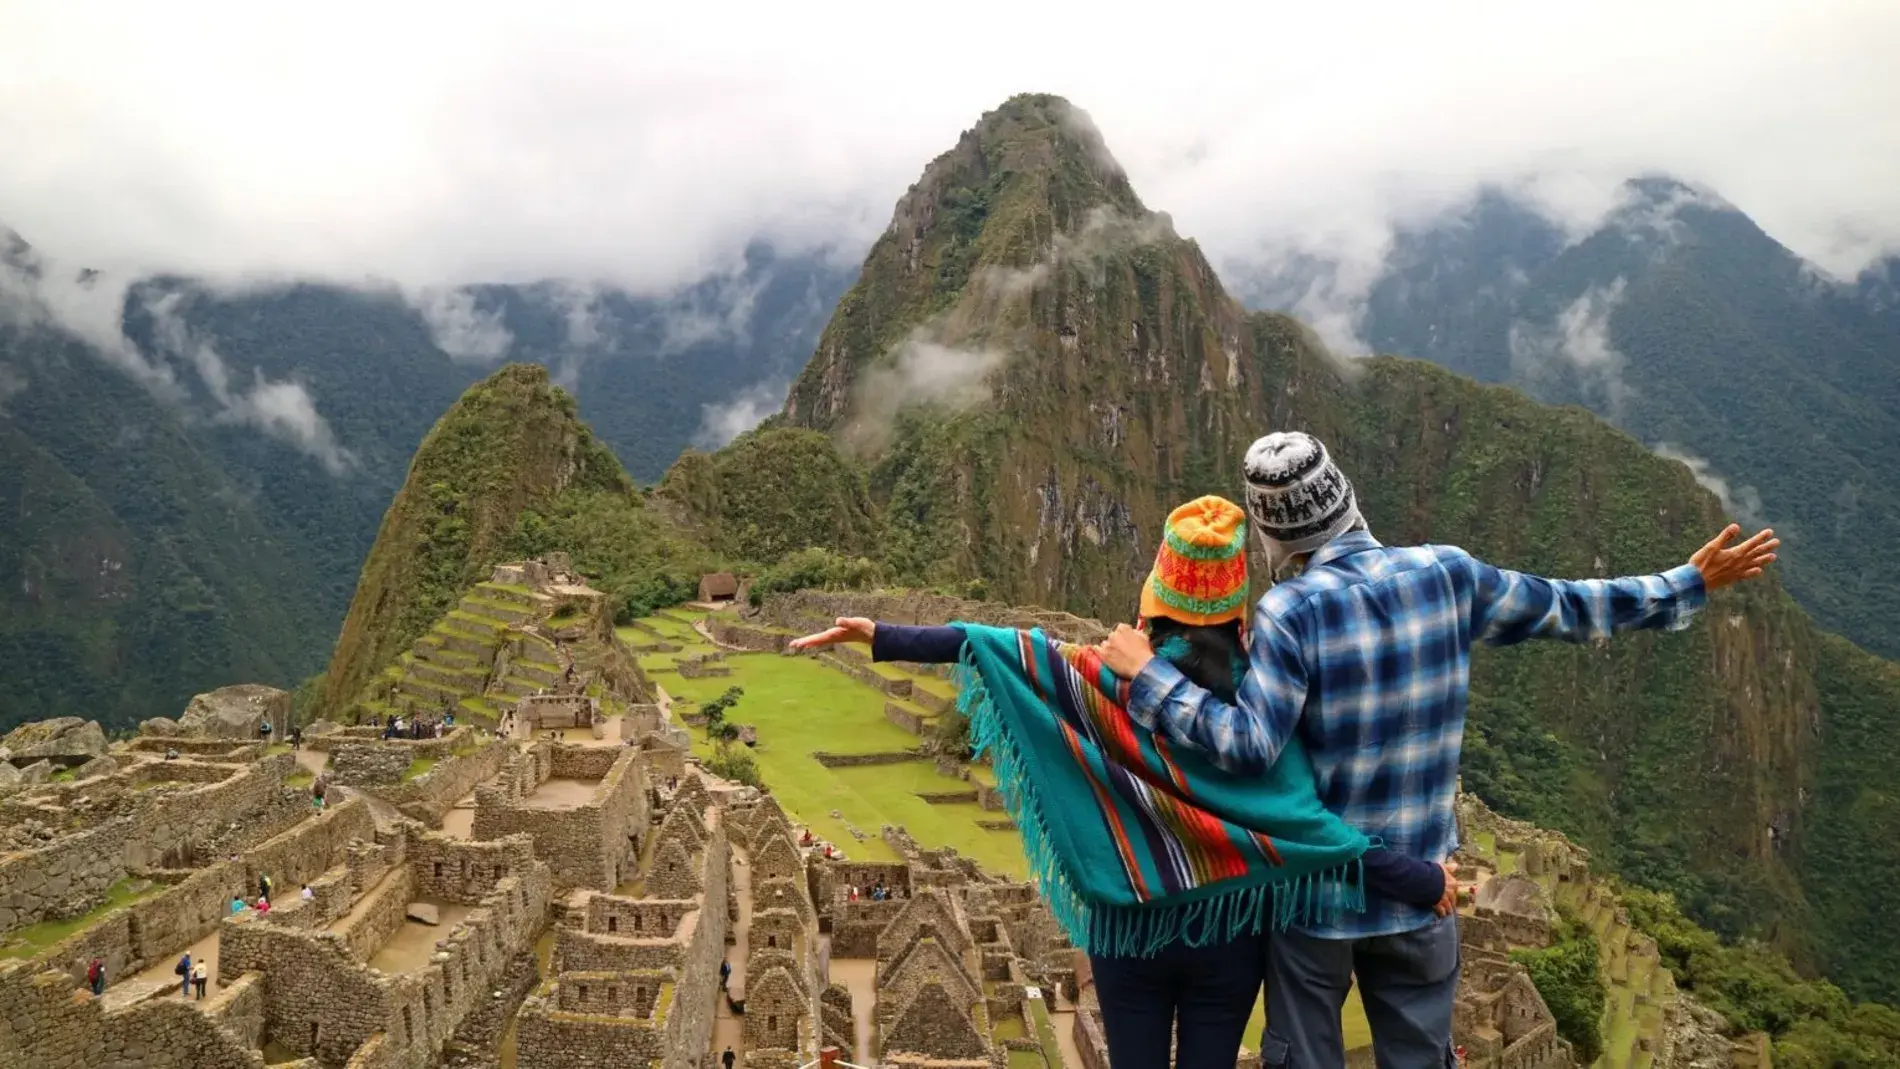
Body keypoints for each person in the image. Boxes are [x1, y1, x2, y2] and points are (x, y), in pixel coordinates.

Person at [1091, 433, 1779, 1069]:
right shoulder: (1447, 574)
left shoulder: (1291, 612)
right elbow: (1569, 605)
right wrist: (1685, 583)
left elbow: (1248, 745)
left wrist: (1147, 675)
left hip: (1317, 908)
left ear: (1271, 535)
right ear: (1349, 499)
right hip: (1422, 892)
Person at [791, 496, 1451, 1069]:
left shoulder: (1097, 680)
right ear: (1239, 616)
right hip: (1227, 934)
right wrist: (1422, 880)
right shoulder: (1259, 703)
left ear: (1152, 603)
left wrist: (884, 634)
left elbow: (1004, 647)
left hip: (1125, 931)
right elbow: (1314, 831)